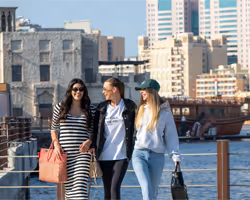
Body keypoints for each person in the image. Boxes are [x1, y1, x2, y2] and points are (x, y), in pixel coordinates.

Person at [132, 79, 182, 200]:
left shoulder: (165, 112)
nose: (141, 92)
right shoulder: (140, 109)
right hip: (139, 154)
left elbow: (171, 135)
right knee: (146, 189)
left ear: (152, 91)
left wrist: (175, 155)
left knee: (153, 193)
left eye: (144, 90)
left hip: (157, 156)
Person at [88, 78, 137, 200]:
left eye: (105, 89)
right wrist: (92, 145)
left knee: (115, 187)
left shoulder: (129, 106)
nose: (103, 92)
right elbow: (95, 129)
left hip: (122, 155)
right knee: (107, 190)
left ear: (114, 89)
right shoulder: (101, 108)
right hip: (104, 155)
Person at [50, 78, 95, 199]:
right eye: (75, 89)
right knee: (69, 191)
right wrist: (56, 144)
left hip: (82, 154)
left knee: (80, 189)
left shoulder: (90, 109)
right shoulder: (60, 107)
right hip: (64, 154)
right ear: (70, 90)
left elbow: (92, 132)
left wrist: (89, 141)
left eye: (81, 89)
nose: (78, 92)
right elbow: (53, 129)